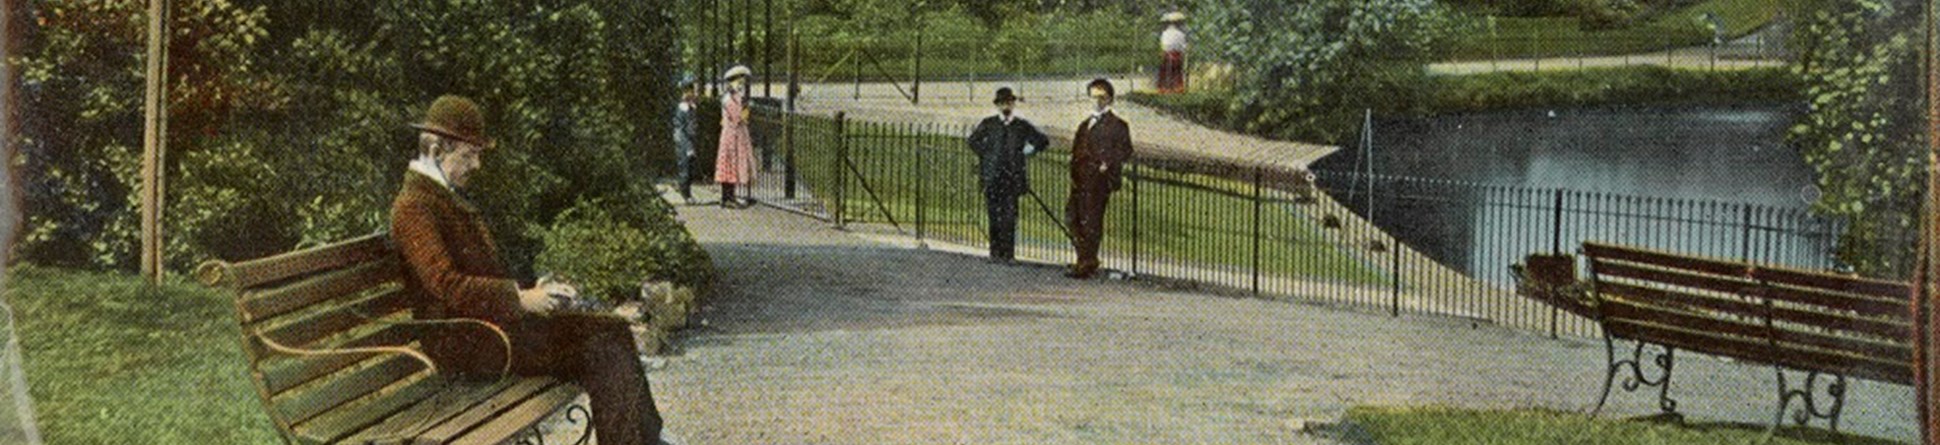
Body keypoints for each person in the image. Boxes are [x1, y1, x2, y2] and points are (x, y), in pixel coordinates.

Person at [390, 95, 665, 445]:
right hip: (466, 345)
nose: (476, 165)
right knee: (601, 348)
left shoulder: (441, 196)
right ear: (436, 148)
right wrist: (519, 299)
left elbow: (479, 272)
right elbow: (446, 285)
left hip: (490, 332)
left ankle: (649, 438)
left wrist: (535, 290)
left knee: (614, 331)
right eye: (469, 154)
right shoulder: (414, 206)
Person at [966, 87, 1050, 264]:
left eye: (1009, 103)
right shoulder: (989, 124)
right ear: (997, 105)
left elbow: (1042, 140)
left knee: (1009, 216)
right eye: (1002, 103)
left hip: (1012, 178)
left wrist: (1029, 150)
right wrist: (987, 155)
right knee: (993, 215)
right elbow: (972, 141)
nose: (1006, 106)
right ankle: (995, 253)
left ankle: (1008, 254)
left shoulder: (1021, 125)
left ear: (1013, 104)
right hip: (992, 177)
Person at [1065, 79, 1133, 279]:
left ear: (1109, 99)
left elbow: (1126, 149)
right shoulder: (1085, 124)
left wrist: (1108, 163)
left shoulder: (1117, 125)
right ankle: (1085, 259)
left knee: (1091, 221)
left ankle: (1086, 264)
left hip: (1099, 181)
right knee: (1072, 218)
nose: (1097, 101)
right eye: (1094, 97)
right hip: (1080, 180)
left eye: (1101, 97)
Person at [716, 65, 757, 208]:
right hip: (731, 134)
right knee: (729, 163)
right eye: (739, 81)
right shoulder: (729, 99)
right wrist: (746, 109)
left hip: (736, 134)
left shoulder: (736, 97)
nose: (741, 84)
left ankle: (730, 196)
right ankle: (727, 197)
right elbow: (738, 117)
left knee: (734, 164)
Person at [672, 84, 699, 203]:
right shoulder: (682, 109)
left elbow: (693, 127)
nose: (695, 94)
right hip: (683, 142)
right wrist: (688, 146)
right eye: (693, 92)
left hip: (689, 141)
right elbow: (681, 129)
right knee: (685, 169)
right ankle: (686, 195)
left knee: (690, 168)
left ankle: (687, 192)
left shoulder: (691, 108)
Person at [1158, 11, 1189, 94]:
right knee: (1177, 72)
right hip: (1177, 55)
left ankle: (1165, 88)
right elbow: (1183, 47)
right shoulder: (1181, 34)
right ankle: (1177, 88)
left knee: (1165, 72)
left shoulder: (1165, 34)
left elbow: (1163, 46)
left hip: (1167, 55)